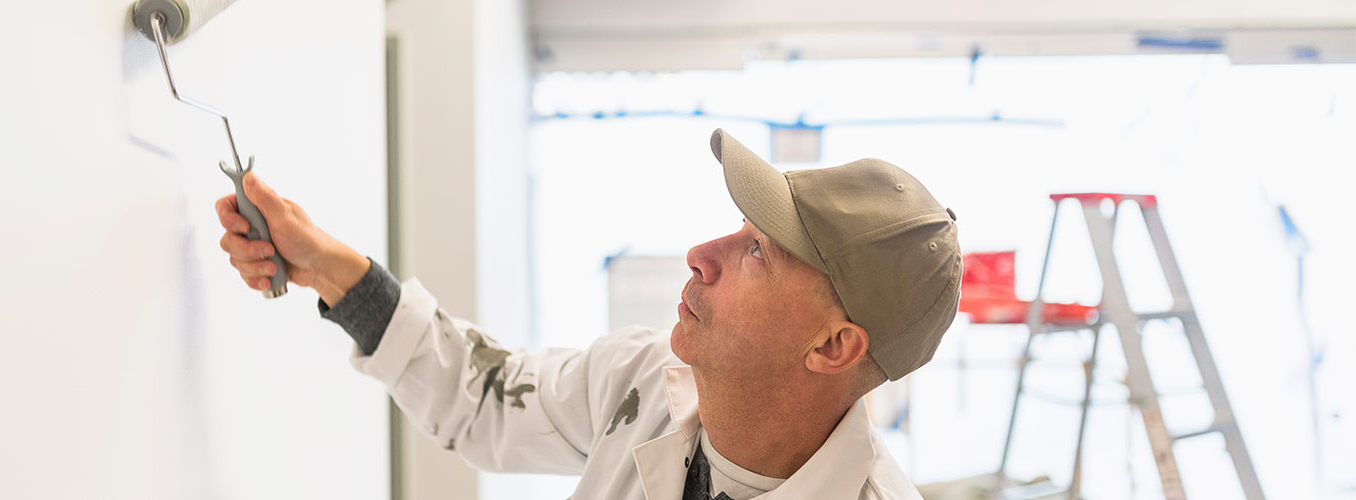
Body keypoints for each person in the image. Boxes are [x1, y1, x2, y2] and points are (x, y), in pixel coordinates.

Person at [216, 129, 962, 499]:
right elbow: (484, 396)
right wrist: (329, 269)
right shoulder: (643, 379)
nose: (702, 252)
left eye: (759, 251)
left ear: (834, 345)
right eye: (736, 227)